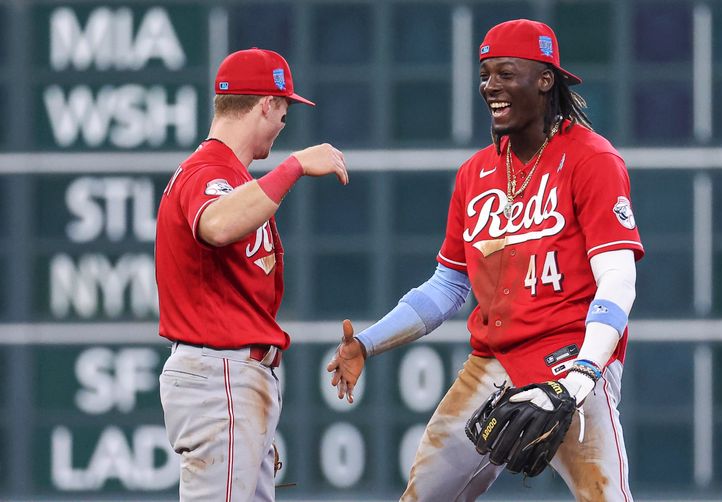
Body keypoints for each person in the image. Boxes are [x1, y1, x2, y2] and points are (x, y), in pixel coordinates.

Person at [328, 19, 643, 501]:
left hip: (567, 361)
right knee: (423, 496)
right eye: (485, 74)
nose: (490, 86)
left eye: (505, 73)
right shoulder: (476, 173)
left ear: (544, 79)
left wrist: (584, 373)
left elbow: (618, 277)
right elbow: (448, 285)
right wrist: (367, 344)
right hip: (491, 360)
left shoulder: (591, 159)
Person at [156, 48, 347, 502]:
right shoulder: (210, 170)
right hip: (219, 372)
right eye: (284, 108)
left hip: (230, 376)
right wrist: (295, 165)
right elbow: (217, 224)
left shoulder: (232, 175)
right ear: (266, 103)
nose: (284, 122)